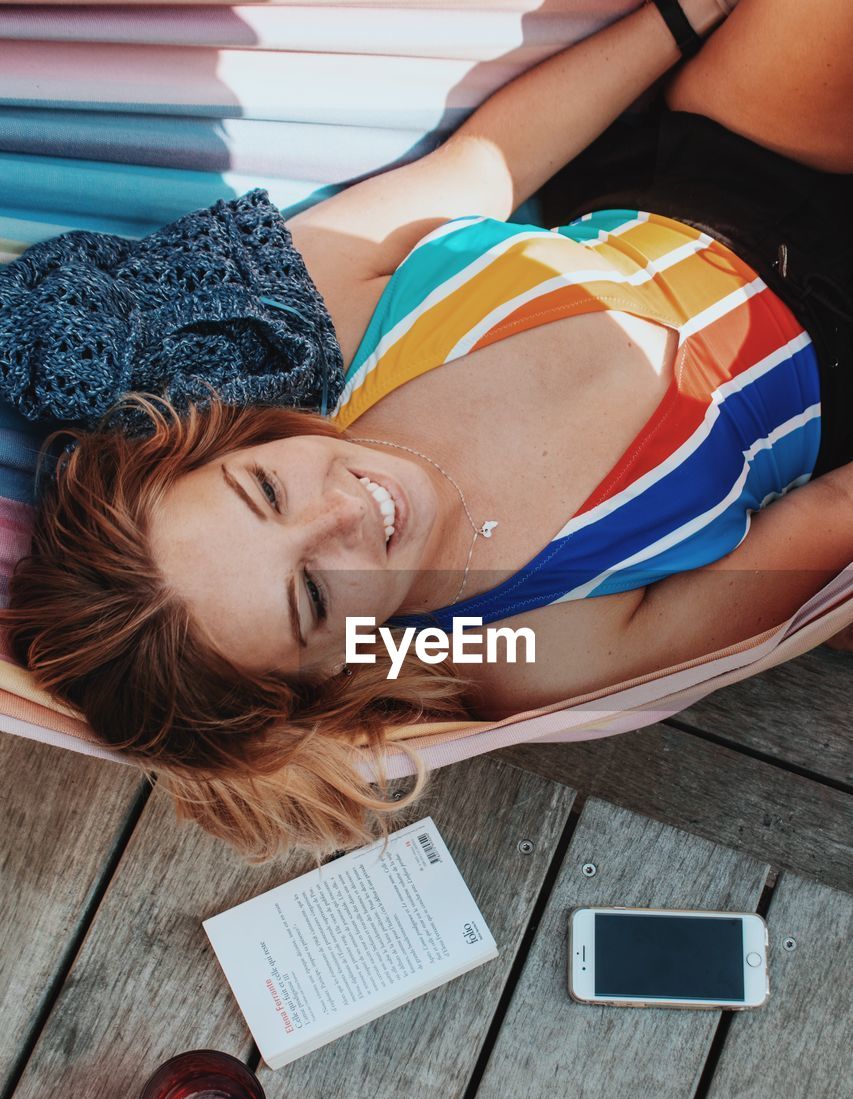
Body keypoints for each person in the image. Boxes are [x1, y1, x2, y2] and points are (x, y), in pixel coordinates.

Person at [2, 0, 852, 860]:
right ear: (335, 669)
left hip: (733, 163)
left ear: (224, 448)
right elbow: (829, 519)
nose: (341, 513)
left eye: (264, 490)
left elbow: (491, 158)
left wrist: (685, 12)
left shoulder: (322, 318)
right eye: (312, 594)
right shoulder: (535, 647)